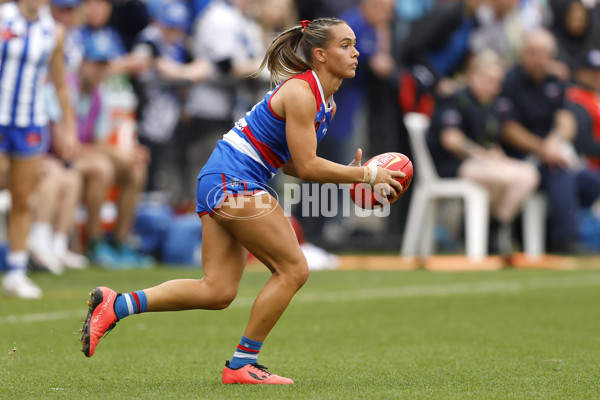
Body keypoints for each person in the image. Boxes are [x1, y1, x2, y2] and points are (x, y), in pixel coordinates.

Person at [79, 17, 404, 384]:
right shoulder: (302, 93)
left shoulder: (324, 101)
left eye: (354, 44)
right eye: (345, 45)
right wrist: (365, 176)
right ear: (320, 54)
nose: (356, 52)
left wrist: (348, 174)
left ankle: (116, 304)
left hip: (221, 179)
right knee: (294, 269)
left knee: (217, 290)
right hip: (233, 181)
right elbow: (310, 166)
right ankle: (241, 365)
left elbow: (296, 165)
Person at [427, 50, 540, 254]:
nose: (493, 86)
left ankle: (493, 226)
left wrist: (496, 156)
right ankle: (475, 230)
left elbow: (490, 142)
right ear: (473, 74)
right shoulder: (456, 99)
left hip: (482, 164)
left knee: (528, 175)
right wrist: (483, 155)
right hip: (451, 164)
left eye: (497, 81)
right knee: (501, 177)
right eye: (488, 80)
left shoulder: (493, 105)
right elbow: (451, 140)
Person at [498, 28, 600, 253]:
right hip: (520, 159)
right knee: (560, 171)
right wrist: (543, 148)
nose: (538, 58)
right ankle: (566, 240)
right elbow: (508, 129)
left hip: (552, 153)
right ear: (523, 53)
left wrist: (556, 139)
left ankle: (563, 233)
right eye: (533, 52)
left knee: (590, 181)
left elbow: (566, 118)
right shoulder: (510, 81)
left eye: (543, 53)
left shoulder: (554, 81)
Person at [0, 0, 77, 298]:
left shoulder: (53, 32)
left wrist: (68, 126)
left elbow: (59, 83)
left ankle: (16, 272)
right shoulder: (3, 18)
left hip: (30, 122)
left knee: (23, 198)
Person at [67, 30, 152, 269]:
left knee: (135, 168)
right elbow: (68, 144)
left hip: (82, 153)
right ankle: (94, 243)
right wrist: (119, 153)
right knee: (103, 168)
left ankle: (119, 242)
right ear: (83, 62)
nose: (99, 70)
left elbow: (100, 140)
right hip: (57, 156)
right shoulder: (67, 87)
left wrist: (127, 154)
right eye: (95, 63)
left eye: (104, 65)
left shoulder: (97, 94)